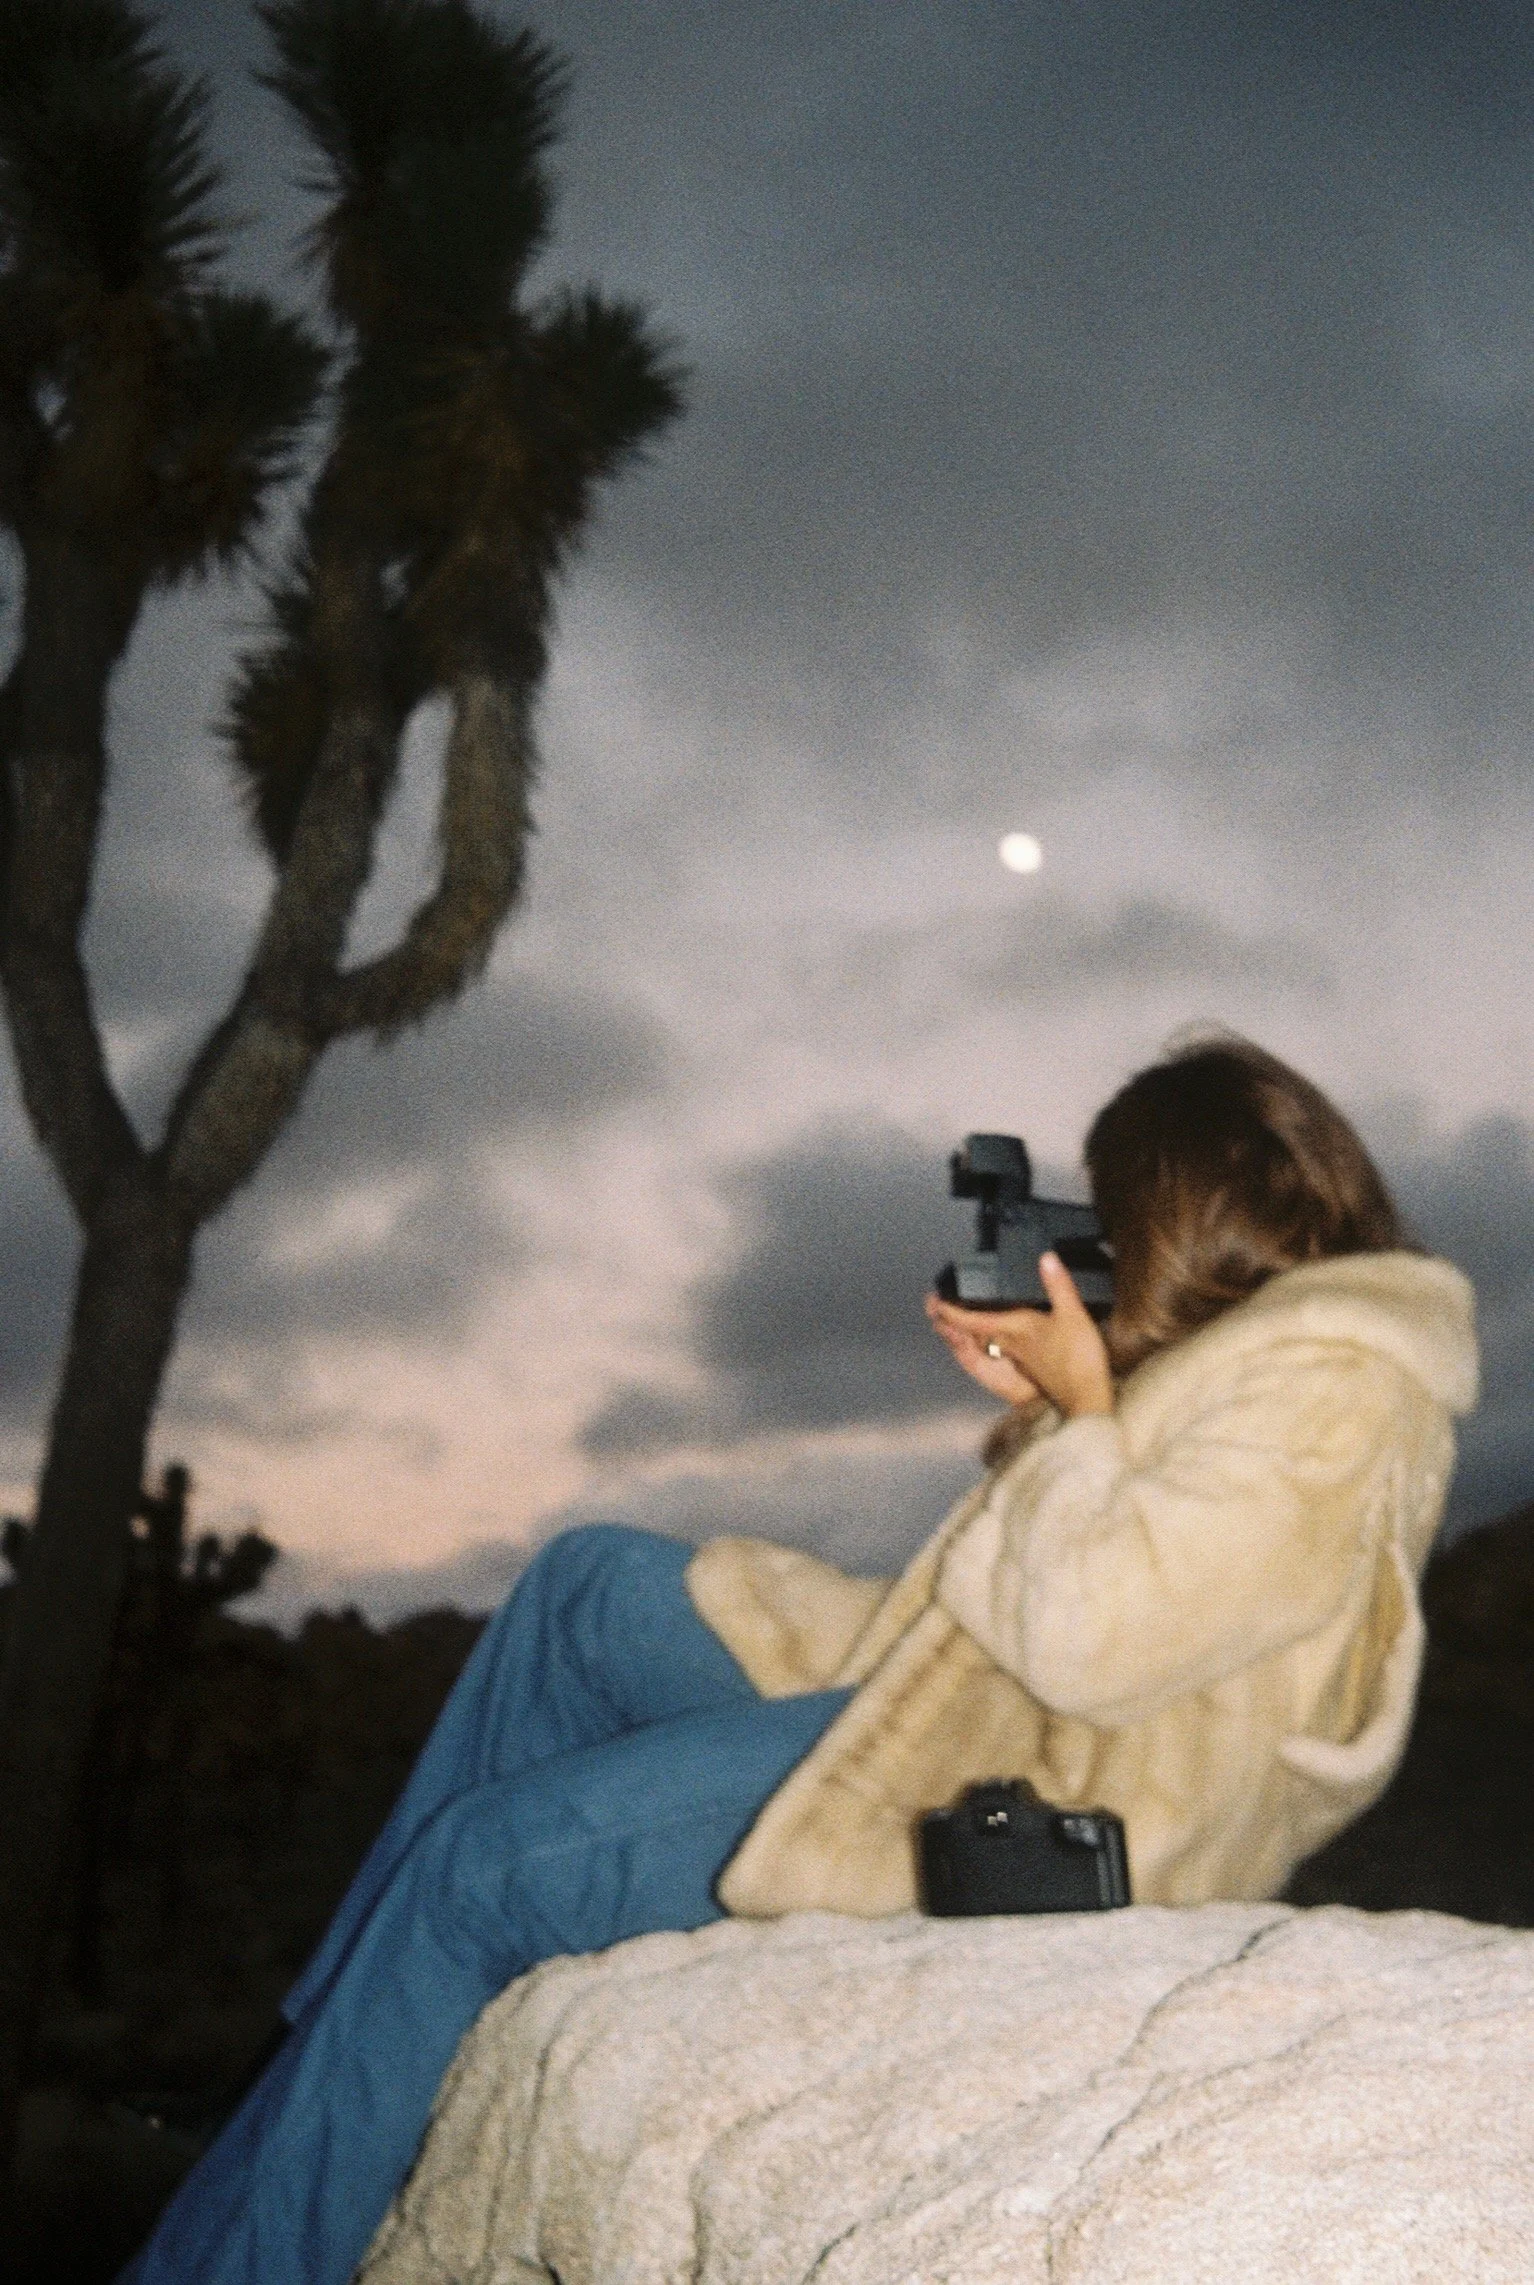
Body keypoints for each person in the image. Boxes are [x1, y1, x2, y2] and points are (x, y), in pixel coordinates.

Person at [122, 1035, 1477, 2284]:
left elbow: (1090, 1640)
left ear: (1182, 1206)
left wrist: (1076, 1411)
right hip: (992, 1712)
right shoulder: (1263, 1355)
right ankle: (330, 2042)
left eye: (1116, 1208)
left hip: (1056, 1803)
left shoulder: (1336, 1382)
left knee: (484, 1869)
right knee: (588, 1586)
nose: (1100, 1238)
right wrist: (1042, 1410)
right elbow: (1044, 1597)